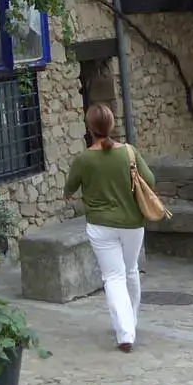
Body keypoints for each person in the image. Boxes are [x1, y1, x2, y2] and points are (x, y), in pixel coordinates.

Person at [64, 103, 155, 352]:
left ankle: (125, 334)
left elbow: (69, 188)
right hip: (132, 223)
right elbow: (151, 180)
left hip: (100, 225)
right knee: (130, 270)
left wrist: (73, 193)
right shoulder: (129, 152)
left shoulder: (84, 159)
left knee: (113, 277)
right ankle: (131, 322)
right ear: (112, 125)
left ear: (89, 128)